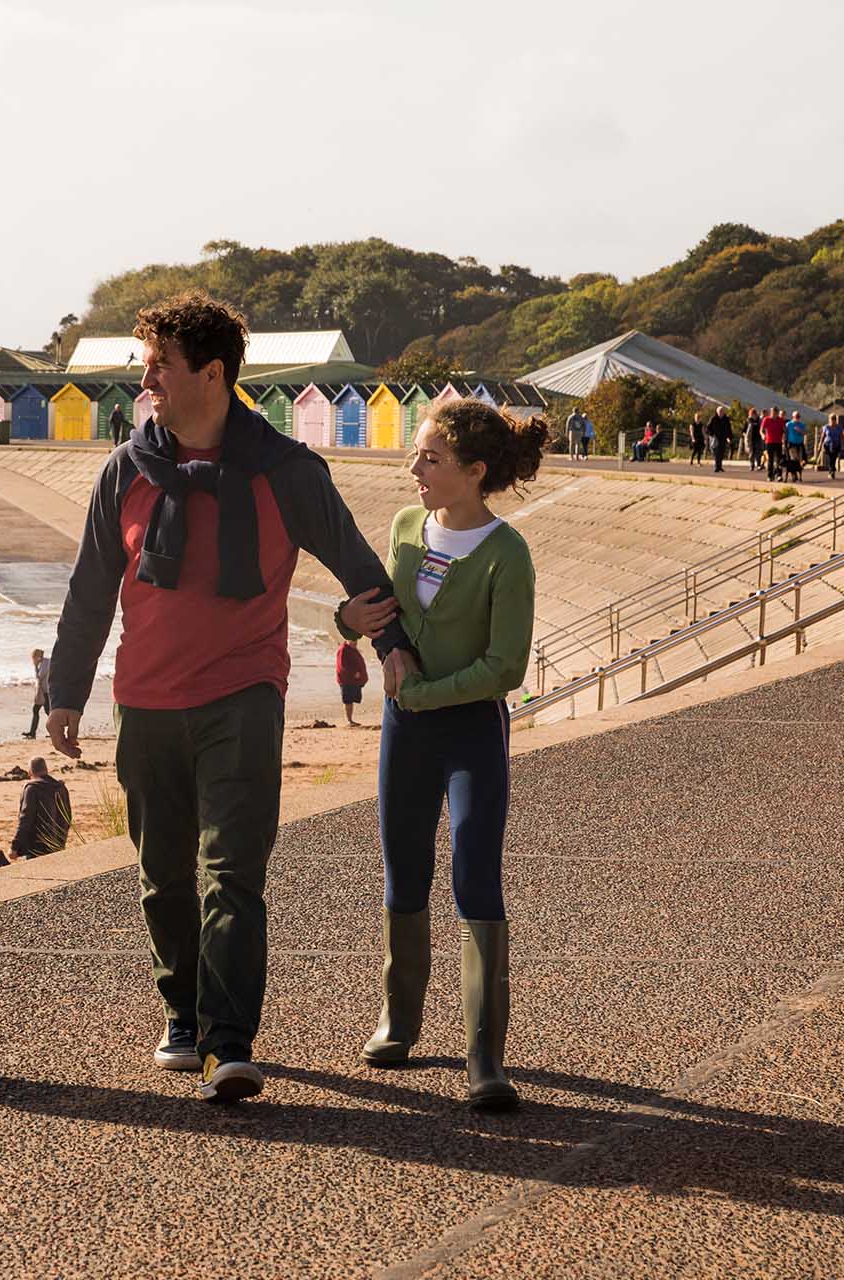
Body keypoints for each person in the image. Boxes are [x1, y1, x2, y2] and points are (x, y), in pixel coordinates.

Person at [46, 291, 415, 1104]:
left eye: (158, 369)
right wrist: (64, 692)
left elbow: (360, 567)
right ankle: (182, 1012)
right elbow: (88, 591)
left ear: (211, 374)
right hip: (144, 701)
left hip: (243, 696)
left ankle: (228, 1043)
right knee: (162, 873)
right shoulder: (125, 470)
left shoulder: (287, 472)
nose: (147, 385)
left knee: (232, 872)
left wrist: (393, 651)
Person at [341, 399, 544, 1110]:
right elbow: (372, 608)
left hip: (470, 735)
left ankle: (485, 1056)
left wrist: (424, 697)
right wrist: (350, 618)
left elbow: (505, 667)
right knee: (403, 871)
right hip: (405, 734)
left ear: (474, 471)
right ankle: (400, 1021)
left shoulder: (505, 553)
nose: (414, 468)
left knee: (472, 873)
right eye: (417, 455)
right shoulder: (404, 527)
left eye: (430, 457)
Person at [10, 756, 73, 859]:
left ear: (30, 772)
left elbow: (25, 819)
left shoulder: (32, 789)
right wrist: (62, 840)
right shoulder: (61, 788)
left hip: (36, 847)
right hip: (57, 843)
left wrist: (15, 847)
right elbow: (67, 817)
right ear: (46, 770)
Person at [336, 638, 368, 726]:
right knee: (348, 700)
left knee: (351, 699)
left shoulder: (352, 649)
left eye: (356, 641)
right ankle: (349, 720)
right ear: (347, 640)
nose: (355, 643)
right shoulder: (343, 650)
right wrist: (354, 673)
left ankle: (350, 720)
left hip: (353, 680)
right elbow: (342, 666)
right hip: (347, 680)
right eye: (353, 641)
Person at [22, 647, 50, 738]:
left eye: (33, 658)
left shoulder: (45, 664)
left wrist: (35, 666)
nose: (32, 660)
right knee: (41, 710)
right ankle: (32, 732)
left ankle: (56, 731)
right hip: (44, 691)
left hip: (47, 691)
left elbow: (39, 677)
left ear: (37, 657)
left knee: (48, 711)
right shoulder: (43, 663)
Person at [759, 406, 786, 480]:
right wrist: (763, 435)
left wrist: (784, 437)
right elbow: (761, 430)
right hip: (769, 442)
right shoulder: (766, 419)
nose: (773, 414)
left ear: (777, 413)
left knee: (779, 459)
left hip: (778, 442)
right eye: (772, 413)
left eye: (774, 413)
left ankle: (779, 475)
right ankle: (769, 476)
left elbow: (784, 430)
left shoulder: (780, 420)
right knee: (770, 459)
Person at [707, 407, 733, 472]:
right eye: (720, 411)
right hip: (715, 438)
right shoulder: (713, 418)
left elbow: (729, 428)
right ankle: (716, 466)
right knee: (716, 452)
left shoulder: (726, 419)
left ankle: (720, 466)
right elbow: (708, 428)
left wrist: (729, 437)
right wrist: (712, 434)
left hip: (723, 437)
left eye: (722, 411)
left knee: (721, 452)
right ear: (717, 412)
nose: (721, 413)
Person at [782, 412, 806, 481]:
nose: (797, 418)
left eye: (798, 416)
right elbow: (785, 434)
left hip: (799, 443)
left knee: (799, 460)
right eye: (796, 416)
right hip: (792, 444)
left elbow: (804, 433)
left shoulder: (801, 425)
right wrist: (784, 443)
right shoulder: (789, 424)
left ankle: (796, 473)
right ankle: (794, 474)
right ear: (793, 416)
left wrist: (799, 430)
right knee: (794, 459)